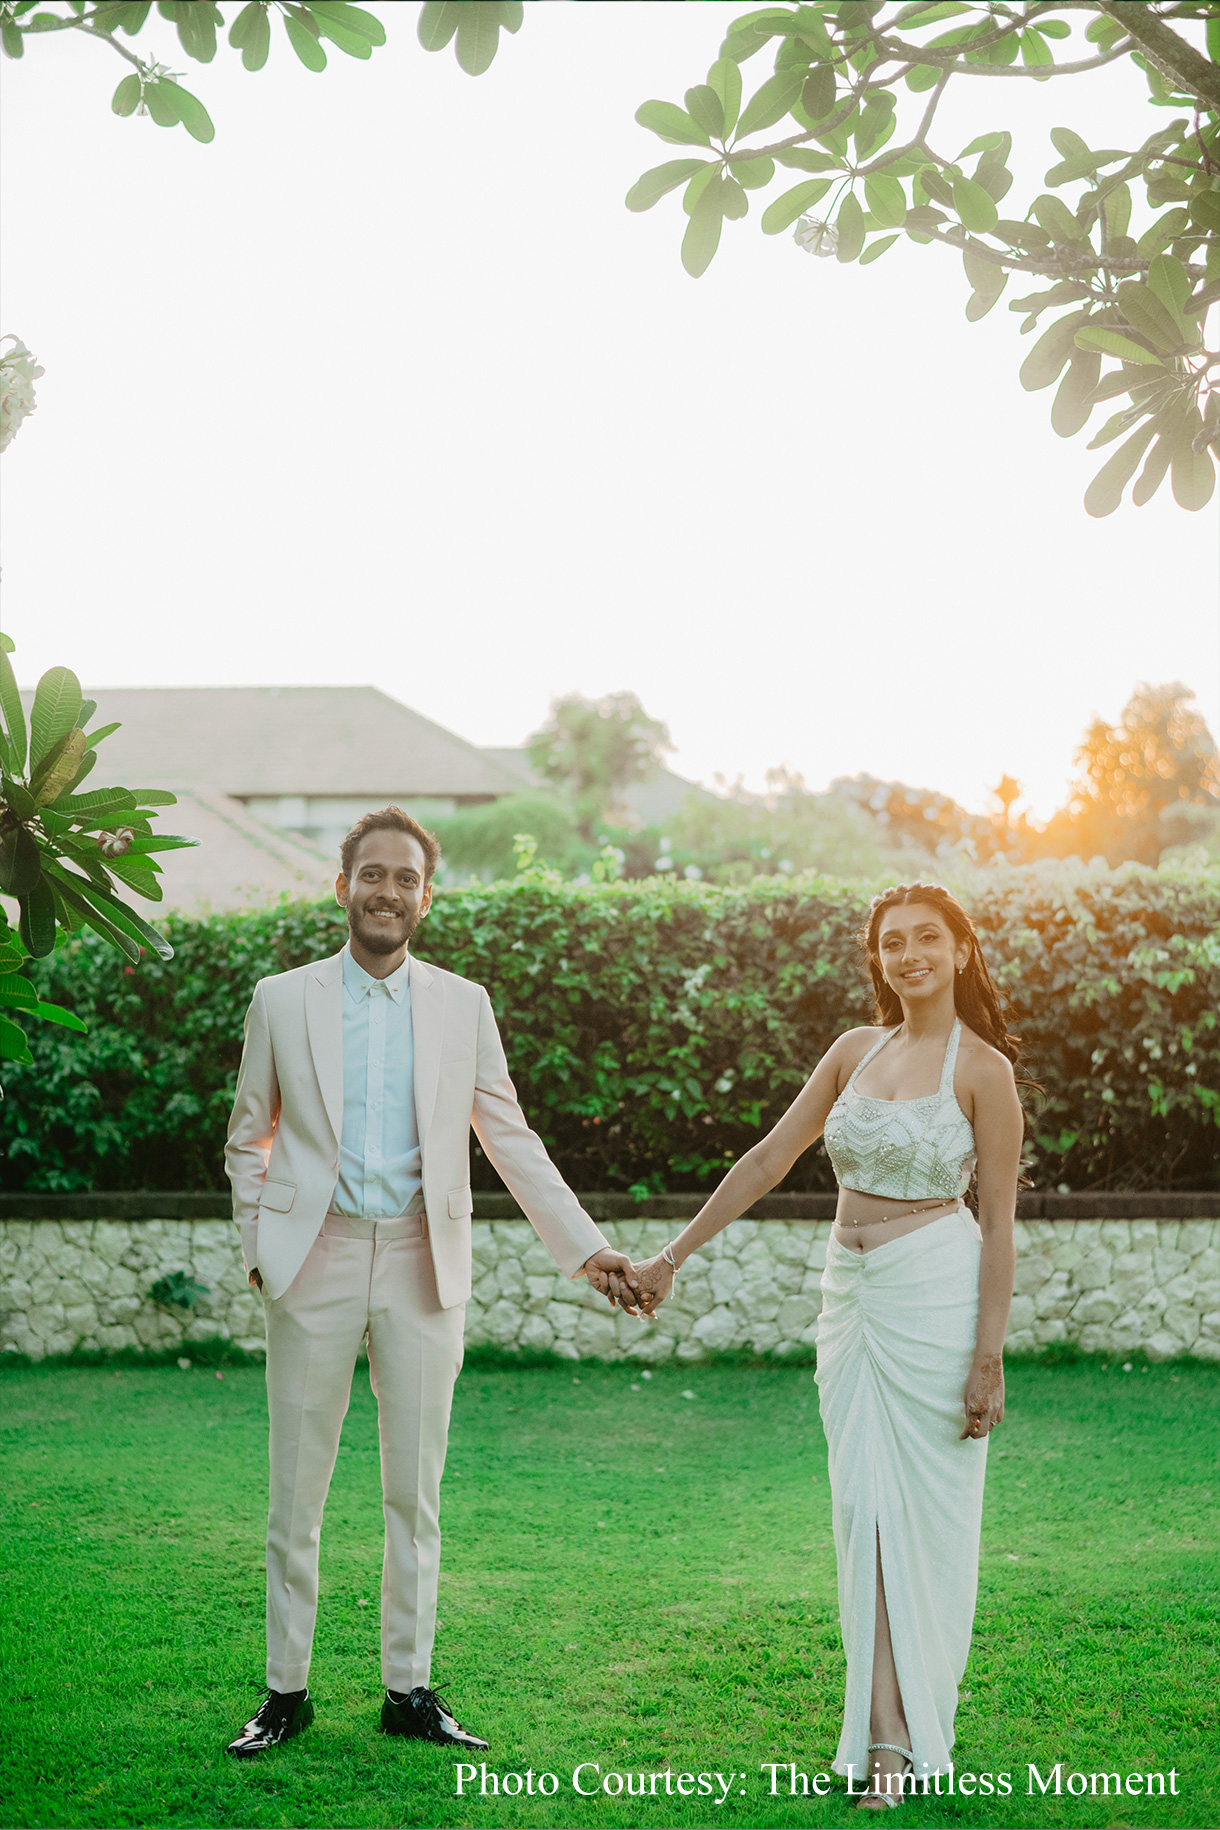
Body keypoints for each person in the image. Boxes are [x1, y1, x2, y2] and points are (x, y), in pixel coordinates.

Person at [223, 805, 640, 1759]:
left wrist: (588, 1249)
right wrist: (262, 1249)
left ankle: (407, 1689)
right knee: (298, 1491)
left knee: (415, 1493)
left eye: (405, 879)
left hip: (423, 1262)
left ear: (424, 897)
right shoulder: (280, 1000)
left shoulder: (465, 1005)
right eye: (372, 875)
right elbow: (250, 1134)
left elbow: (512, 1140)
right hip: (312, 1261)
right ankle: (286, 1690)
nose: (387, 892)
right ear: (344, 887)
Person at [632, 883, 1024, 1811]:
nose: (909, 955)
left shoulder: (985, 1071)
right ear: (876, 957)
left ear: (962, 951)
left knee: (915, 1523)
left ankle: (894, 1745)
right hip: (848, 1301)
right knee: (862, 1515)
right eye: (892, 942)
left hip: (934, 1297)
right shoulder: (854, 1050)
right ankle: (875, 1728)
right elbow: (768, 1158)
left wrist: (988, 1356)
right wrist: (670, 1256)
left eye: (928, 938)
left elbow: (1002, 1223)